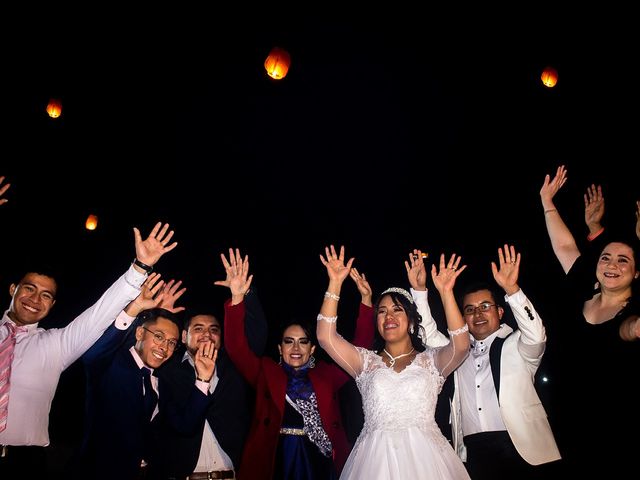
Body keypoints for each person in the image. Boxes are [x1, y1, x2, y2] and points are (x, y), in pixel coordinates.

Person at [0, 221, 174, 479]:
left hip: (24, 462)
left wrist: (139, 269)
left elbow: (97, 315)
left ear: (53, 304)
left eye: (46, 295)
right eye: (29, 289)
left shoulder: (55, 344)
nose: (36, 300)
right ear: (13, 290)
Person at [316, 245, 471, 479]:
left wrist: (446, 292)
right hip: (373, 462)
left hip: (427, 461)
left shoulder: (431, 360)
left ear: (410, 321)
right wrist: (335, 283)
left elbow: (461, 346)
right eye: (382, 311)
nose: (388, 316)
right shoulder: (365, 362)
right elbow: (325, 336)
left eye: (397, 310)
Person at [223, 246, 375, 479]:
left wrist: (366, 301)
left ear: (312, 348)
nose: (296, 348)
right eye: (289, 341)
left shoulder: (326, 376)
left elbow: (359, 350)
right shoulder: (265, 372)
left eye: (303, 342)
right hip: (275, 461)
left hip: (319, 463)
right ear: (279, 348)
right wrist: (236, 298)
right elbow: (236, 348)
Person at [421, 245, 561, 478]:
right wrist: (421, 290)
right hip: (474, 451)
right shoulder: (457, 351)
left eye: (485, 307)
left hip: (522, 447)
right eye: (470, 309)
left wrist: (511, 288)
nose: (478, 314)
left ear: (500, 312)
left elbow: (536, 334)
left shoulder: (518, 343)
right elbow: (427, 333)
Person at [540, 165, 640, 474]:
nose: (612, 265)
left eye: (624, 260)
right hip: (563, 430)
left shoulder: (633, 318)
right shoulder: (578, 296)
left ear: (636, 273)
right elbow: (567, 247)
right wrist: (547, 201)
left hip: (615, 439)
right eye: (606, 258)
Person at [148, 248, 269, 480]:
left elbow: (256, 337)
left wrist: (243, 295)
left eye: (214, 330)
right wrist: (158, 312)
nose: (207, 334)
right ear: (184, 337)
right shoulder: (169, 371)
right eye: (199, 329)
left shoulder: (234, 366)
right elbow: (181, 424)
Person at [76, 274, 209, 480]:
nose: (164, 347)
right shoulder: (111, 363)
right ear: (139, 333)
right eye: (158, 337)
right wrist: (136, 308)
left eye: (172, 343)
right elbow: (92, 354)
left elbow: (185, 424)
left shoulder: (160, 383)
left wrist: (203, 379)